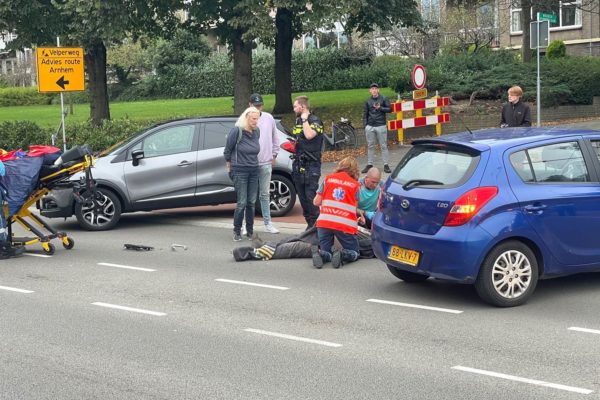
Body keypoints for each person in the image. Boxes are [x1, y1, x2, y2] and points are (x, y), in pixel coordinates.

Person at [312, 156, 360, 269]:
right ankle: (343, 254)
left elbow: (316, 202)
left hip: (324, 223)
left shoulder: (328, 179)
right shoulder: (355, 186)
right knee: (355, 252)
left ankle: (321, 254)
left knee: (327, 251)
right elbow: (354, 209)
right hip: (344, 225)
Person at [232, 226, 374, 262]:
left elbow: (362, 246)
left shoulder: (372, 240)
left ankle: (251, 253)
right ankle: (263, 245)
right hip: (326, 233)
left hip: (328, 243)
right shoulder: (369, 232)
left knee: (294, 247)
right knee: (296, 239)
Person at [223, 107, 261, 242]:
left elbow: (256, 149)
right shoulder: (237, 131)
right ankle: (236, 230)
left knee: (251, 202)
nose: (256, 121)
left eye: (257, 118)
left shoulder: (256, 132)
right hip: (240, 170)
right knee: (242, 202)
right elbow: (227, 150)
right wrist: (229, 166)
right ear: (246, 118)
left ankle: (250, 231)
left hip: (254, 169)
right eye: (253, 119)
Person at [248, 93, 281, 234]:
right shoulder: (245, 119)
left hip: (266, 161)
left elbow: (275, 137)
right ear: (250, 105)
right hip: (250, 163)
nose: (257, 108)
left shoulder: (268, 118)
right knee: (249, 195)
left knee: (265, 194)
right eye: (255, 105)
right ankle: (247, 224)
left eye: (259, 105)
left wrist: (274, 154)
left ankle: (268, 223)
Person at [291, 95, 324, 229]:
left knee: (311, 198)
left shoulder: (314, 120)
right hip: (299, 164)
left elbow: (310, 136)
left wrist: (305, 120)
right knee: (303, 198)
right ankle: (310, 226)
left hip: (312, 165)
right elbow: (297, 139)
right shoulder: (298, 121)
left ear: (302, 107)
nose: (293, 109)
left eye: (295, 106)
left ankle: (316, 228)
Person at [362, 83, 392, 174]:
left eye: (376, 89)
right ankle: (369, 164)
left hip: (381, 125)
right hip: (370, 126)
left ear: (378, 90)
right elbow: (365, 114)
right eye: (372, 89)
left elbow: (390, 109)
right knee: (370, 146)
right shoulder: (368, 101)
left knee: (383, 145)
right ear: (370, 91)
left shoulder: (384, 98)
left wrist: (380, 108)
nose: (374, 90)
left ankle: (386, 165)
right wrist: (365, 126)